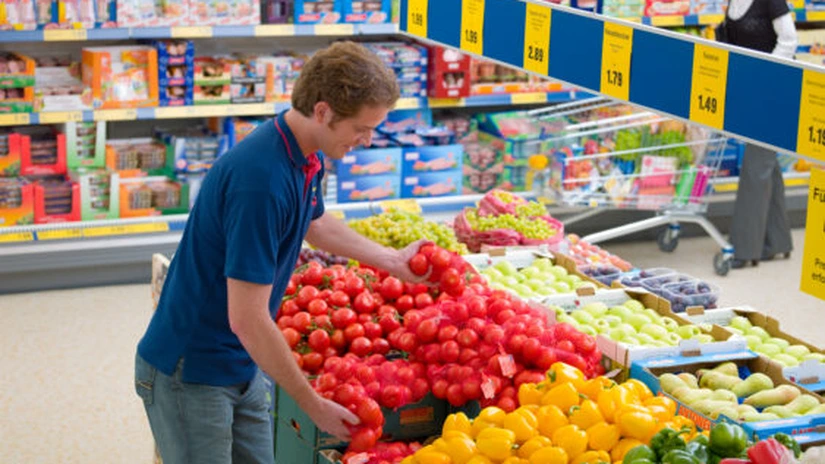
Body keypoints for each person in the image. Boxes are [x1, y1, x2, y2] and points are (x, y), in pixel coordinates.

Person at [134, 41, 424, 464]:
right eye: (361, 128)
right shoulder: (261, 182)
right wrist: (311, 403)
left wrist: (393, 261)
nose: (367, 140)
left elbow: (315, 223)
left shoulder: (303, 152)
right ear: (322, 111)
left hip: (241, 359)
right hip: (192, 369)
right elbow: (248, 318)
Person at [720, 0, 798, 268]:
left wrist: (765, 73)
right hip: (752, 91)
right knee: (766, 165)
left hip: (775, 90)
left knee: (755, 167)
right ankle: (778, 241)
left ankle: (744, 249)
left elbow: (789, 40)